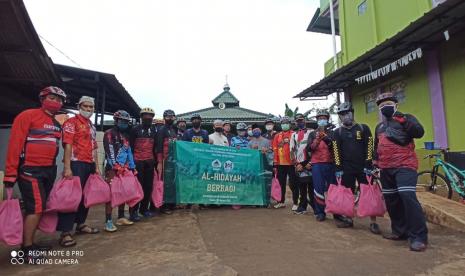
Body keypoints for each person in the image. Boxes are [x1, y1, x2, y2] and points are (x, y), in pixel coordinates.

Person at [3, 86, 66, 261]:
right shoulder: (28, 115)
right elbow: (15, 144)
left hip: (49, 169)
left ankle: (28, 243)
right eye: (53, 98)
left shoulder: (55, 122)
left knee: (38, 208)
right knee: (36, 208)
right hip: (30, 170)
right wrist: (10, 174)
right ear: (42, 98)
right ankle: (27, 250)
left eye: (60, 100)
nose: (57, 102)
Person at [374, 92, 428, 252]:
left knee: (407, 196)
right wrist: (374, 162)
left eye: (388, 103)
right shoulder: (380, 126)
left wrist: (404, 120)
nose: (385, 107)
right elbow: (378, 146)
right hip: (386, 168)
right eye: (382, 105)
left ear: (396, 105)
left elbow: (419, 132)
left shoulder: (407, 118)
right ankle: (399, 231)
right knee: (391, 199)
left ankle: (418, 237)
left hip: (405, 166)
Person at [57, 96, 100, 248]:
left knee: (86, 196)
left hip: (89, 164)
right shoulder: (71, 122)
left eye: (91, 107)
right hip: (75, 164)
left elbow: (94, 146)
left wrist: (96, 166)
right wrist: (67, 167)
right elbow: (67, 145)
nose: (88, 109)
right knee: (71, 198)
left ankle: (81, 224)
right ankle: (65, 233)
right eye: (86, 106)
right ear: (79, 106)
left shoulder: (91, 125)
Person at [332, 102, 380, 233]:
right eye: (342, 114)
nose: (345, 116)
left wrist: (368, 164)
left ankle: (373, 222)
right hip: (346, 169)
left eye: (347, 113)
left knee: (368, 193)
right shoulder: (337, 132)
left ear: (352, 113)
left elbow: (369, 147)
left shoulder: (363, 128)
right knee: (348, 194)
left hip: (364, 167)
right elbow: (336, 151)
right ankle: (349, 219)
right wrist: (338, 168)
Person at [103, 110, 137, 232]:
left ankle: (121, 217)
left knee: (124, 192)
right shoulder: (109, 133)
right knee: (111, 194)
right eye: (122, 121)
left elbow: (129, 152)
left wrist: (132, 167)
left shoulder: (126, 136)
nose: (124, 123)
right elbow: (109, 151)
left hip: (125, 169)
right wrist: (116, 166)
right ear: (116, 121)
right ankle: (108, 221)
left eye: (126, 122)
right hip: (112, 169)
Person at [307, 109, 336, 222]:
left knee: (332, 188)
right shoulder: (312, 133)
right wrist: (317, 140)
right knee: (318, 188)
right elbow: (309, 149)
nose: (322, 120)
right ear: (317, 120)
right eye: (320, 119)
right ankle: (320, 212)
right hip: (317, 164)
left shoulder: (333, 132)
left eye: (324, 118)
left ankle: (335, 211)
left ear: (327, 120)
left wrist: (327, 139)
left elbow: (335, 148)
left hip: (330, 163)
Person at [129, 107, 157, 219]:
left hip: (150, 162)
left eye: (150, 116)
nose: (148, 118)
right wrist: (131, 164)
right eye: (145, 115)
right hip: (137, 162)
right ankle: (133, 211)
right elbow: (130, 147)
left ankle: (144, 209)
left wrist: (155, 162)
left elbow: (155, 147)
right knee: (137, 187)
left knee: (148, 187)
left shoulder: (155, 130)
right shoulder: (134, 129)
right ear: (141, 117)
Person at [272, 116, 298, 210]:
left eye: (286, 123)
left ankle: (295, 203)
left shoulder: (294, 134)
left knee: (293, 184)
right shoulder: (277, 136)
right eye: (283, 123)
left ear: (290, 124)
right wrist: (275, 163)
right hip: (280, 164)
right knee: (281, 184)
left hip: (292, 163)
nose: (284, 125)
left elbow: (297, 148)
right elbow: (275, 149)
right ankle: (281, 201)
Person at [290, 114, 314, 215]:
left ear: (305, 120)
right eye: (298, 121)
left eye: (301, 120)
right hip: (299, 165)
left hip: (310, 164)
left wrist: (311, 162)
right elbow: (291, 151)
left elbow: (315, 149)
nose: (300, 122)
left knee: (312, 188)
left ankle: (317, 208)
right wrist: (296, 164)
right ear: (295, 122)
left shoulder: (312, 132)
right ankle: (302, 207)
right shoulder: (294, 134)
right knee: (302, 188)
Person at [157, 109, 179, 214]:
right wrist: (160, 162)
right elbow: (159, 147)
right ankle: (164, 206)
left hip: (173, 160)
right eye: (168, 117)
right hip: (165, 160)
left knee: (172, 183)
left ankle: (171, 203)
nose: (170, 118)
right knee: (165, 183)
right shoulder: (162, 130)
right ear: (164, 118)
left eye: (172, 116)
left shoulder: (174, 129)